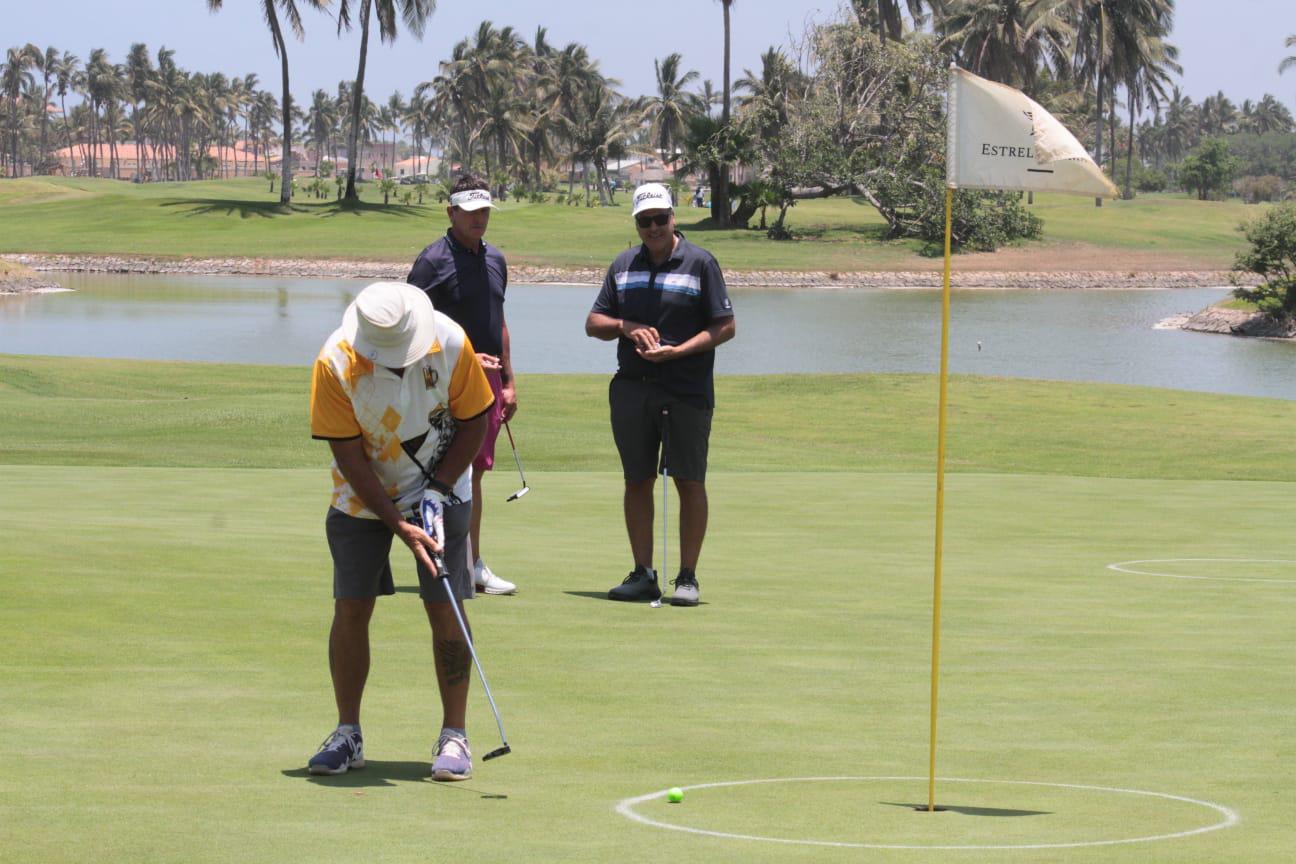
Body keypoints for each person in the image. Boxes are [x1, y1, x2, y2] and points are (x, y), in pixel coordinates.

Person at [307, 281, 496, 780]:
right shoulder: (335, 362)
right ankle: (348, 733)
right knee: (351, 606)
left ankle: (455, 735)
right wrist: (398, 523)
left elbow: (476, 421)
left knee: (445, 606)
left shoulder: (451, 342)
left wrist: (435, 491)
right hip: (361, 492)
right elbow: (347, 454)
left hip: (445, 484)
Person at [584, 182, 737, 607]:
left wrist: (678, 352)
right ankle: (643, 574)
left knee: (689, 480)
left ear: (674, 217)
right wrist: (625, 326)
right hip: (633, 389)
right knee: (638, 480)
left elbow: (725, 326)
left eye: (660, 219)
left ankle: (687, 577)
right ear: (636, 223)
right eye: (644, 221)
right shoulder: (623, 265)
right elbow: (594, 322)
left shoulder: (700, 263)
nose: (653, 227)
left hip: (686, 389)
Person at [407, 175, 519, 596]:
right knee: (444, 471)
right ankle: (452, 560)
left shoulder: (496, 260)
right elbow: (409, 325)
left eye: (484, 210)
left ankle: (469, 563)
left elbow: (499, 322)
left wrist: (508, 380)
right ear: (451, 212)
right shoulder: (432, 262)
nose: (479, 218)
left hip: (486, 384)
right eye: (470, 211)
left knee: (474, 474)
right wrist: (466, 356)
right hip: (441, 383)